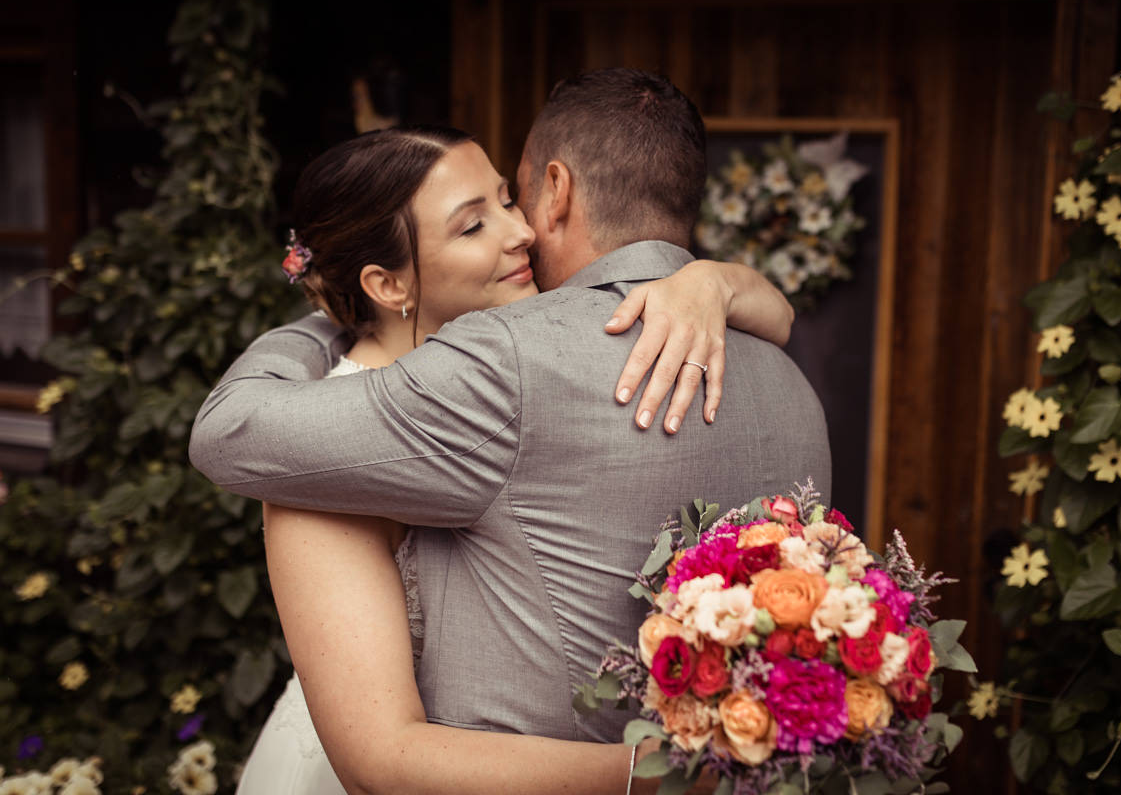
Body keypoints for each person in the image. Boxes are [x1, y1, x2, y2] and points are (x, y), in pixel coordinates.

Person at [191, 68, 832, 792]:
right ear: (385, 284)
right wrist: (721, 281)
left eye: (509, 198)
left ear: (554, 190)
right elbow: (376, 749)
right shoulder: (789, 380)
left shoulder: (503, 364)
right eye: (475, 223)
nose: (521, 230)